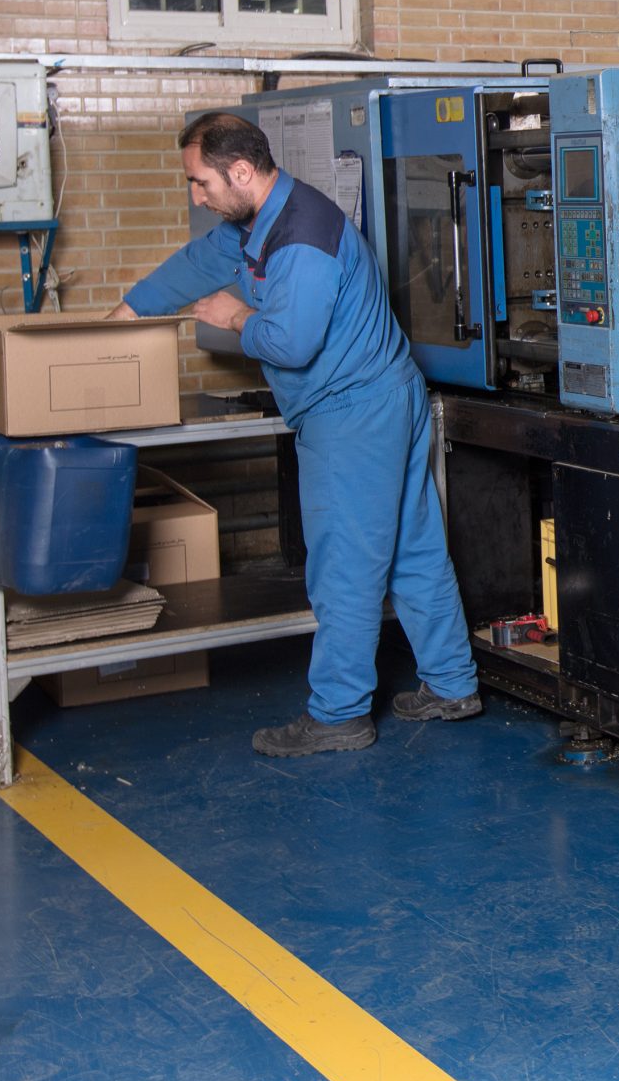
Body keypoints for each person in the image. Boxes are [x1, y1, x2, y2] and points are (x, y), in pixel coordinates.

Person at [112, 112, 482, 756]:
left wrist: (236, 317)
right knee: (412, 550)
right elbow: (198, 262)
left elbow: (292, 342)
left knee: (344, 568)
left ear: (241, 172)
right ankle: (452, 684)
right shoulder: (259, 221)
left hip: (351, 416)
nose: (196, 197)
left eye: (201, 183)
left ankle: (338, 715)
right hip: (388, 396)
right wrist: (127, 312)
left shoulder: (302, 237)